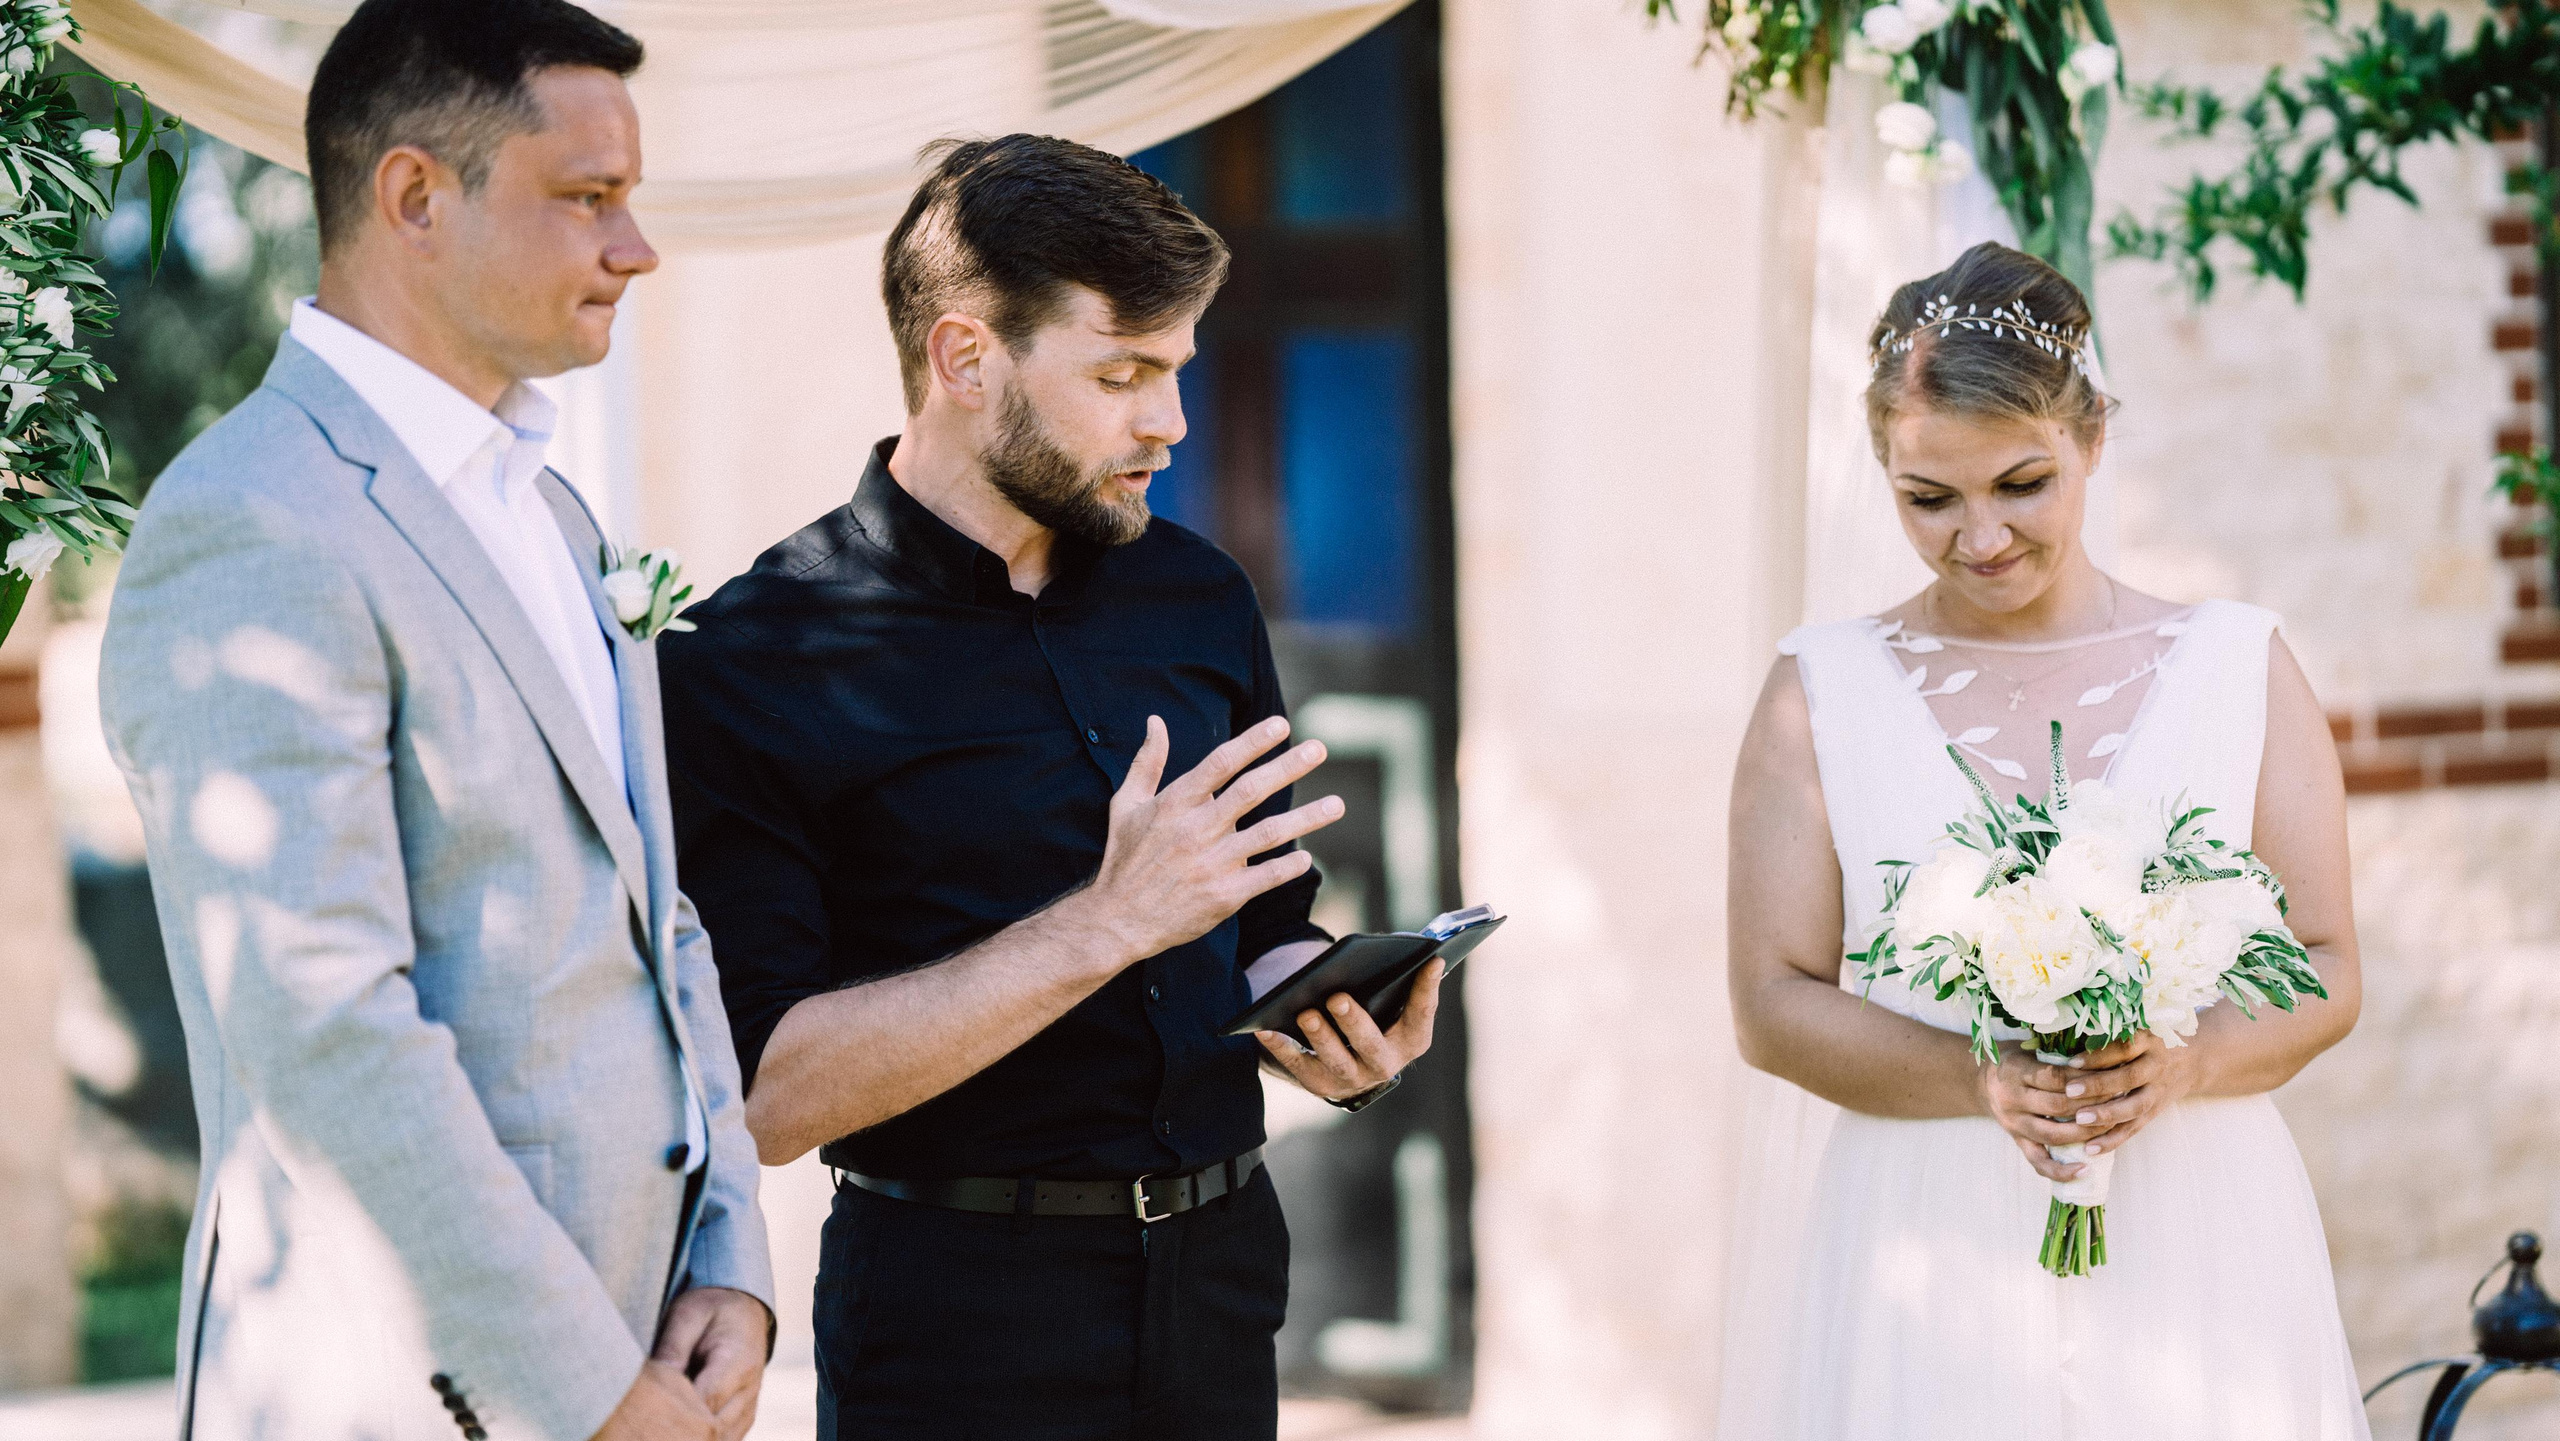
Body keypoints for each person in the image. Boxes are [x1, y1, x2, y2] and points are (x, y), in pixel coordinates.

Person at [659, 133, 1444, 1439]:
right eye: (1123, 374)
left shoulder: (1200, 594)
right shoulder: (759, 657)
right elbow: (771, 1094)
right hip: (956, 1328)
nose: (1170, 423)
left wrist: (1328, 1017)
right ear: (966, 358)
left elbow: (1258, 928)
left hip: (1225, 1287)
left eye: (1177, 371)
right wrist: (1109, 920)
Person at [98, 3, 773, 1438]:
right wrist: (588, 1391)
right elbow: (323, 1024)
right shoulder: (252, 521)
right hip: (408, 1394)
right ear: (415, 196)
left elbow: (665, 916)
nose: (634, 247)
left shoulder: (554, 509)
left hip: (655, 1349)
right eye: (589, 198)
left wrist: (731, 1262)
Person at [1723, 242, 2370, 1438]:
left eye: (2021, 483)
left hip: (2197, 1225)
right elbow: (1770, 1000)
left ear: (2090, 441)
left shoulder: (2237, 664)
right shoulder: (1817, 689)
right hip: (1928, 1235)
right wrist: (1980, 1079)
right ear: (1883, 471)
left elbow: (2326, 963)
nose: (1979, 539)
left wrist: (2182, 1062)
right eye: (1929, 499)